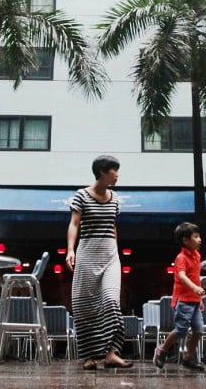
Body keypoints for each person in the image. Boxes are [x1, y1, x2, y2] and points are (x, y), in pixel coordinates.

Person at [65, 154, 132, 370]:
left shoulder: (114, 198)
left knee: (112, 301)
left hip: (110, 255)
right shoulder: (81, 195)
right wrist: (70, 250)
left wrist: (116, 250)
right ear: (103, 172)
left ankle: (112, 353)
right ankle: (89, 357)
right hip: (87, 253)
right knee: (84, 305)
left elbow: (113, 226)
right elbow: (75, 223)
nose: (117, 175)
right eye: (114, 170)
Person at [153, 221, 206, 372]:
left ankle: (188, 357)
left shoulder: (197, 256)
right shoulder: (181, 258)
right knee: (181, 329)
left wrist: (199, 298)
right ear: (185, 240)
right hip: (183, 300)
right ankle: (162, 350)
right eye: (196, 237)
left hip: (194, 301)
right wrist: (195, 288)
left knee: (199, 329)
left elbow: (196, 277)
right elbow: (182, 276)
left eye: (199, 236)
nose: (199, 239)